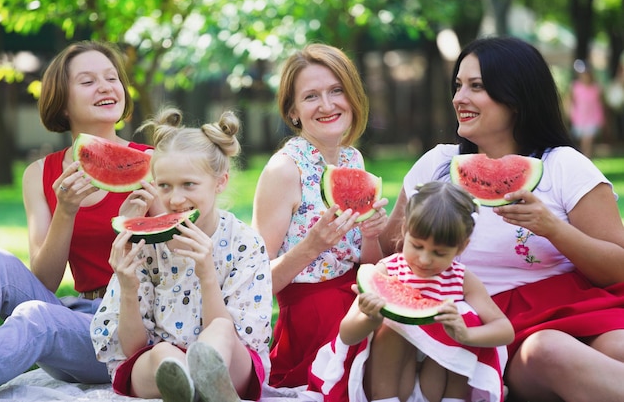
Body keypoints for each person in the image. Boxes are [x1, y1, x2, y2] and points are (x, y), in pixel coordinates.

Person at [381, 36, 624, 402]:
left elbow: (618, 267)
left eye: (476, 86)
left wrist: (552, 229)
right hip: (492, 327)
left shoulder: (564, 165)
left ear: (516, 96)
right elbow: (390, 253)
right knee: (548, 349)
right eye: (458, 85)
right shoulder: (436, 165)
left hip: (574, 306)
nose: (459, 98)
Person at [90, 108, 273, 402]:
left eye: (189, 184)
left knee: (222, 331)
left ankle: (208, 382)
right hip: (158, 362)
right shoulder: (144, 244)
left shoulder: (245, 243)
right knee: (162, 354)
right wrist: (127, 287)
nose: (175, 200)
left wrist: (207, 275)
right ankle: (183, 387)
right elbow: (133, 347)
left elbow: (244, 338)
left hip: (230, 366)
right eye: (164, 185)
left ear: (220, 182)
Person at [0, 40, 152, 386]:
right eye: (87, 81)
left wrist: (139, 220)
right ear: (62, 103)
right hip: (76, 319)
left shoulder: (155, 163)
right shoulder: (39, 174)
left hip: (132, 327)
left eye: (112, 78)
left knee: (34, 318)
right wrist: (65, 212)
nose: (106, 87)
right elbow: (45, 282)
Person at [251, 43, 389, 388]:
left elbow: (365, 264)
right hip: (313, 318)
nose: (327, 105)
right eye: (311, 96)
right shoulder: (283, 170)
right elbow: (252, 284)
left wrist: (371, 235)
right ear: (293, 111)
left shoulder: (352, 160)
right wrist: (310, 247)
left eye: (336, 91)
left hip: (360, 300)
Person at [308, 181, 514, 402]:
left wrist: (465, 334)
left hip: (436, 385)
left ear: (461, 247)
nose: (425, 260)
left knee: (463, 317)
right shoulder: (387, 271)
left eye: (439, 253)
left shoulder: (462, 279)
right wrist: (370, 318)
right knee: (391, 327)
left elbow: (504, 331)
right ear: (405, 230)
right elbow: (347, 335)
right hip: (390, 383)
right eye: (417, 246)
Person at [566, 62, 605, 158]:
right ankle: (586, 157)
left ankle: (586, 157)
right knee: (585, 141)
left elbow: (601, 102)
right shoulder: (575, 87)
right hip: (580, 118)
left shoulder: (596, 87)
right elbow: (569, 101)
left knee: (588, 140)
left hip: (593, 118)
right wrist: (570, 113)